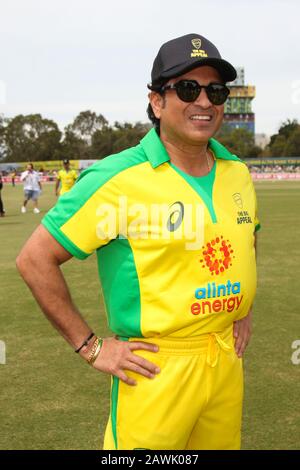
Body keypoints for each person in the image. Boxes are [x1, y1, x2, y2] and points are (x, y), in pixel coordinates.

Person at [16, 33, 260, 450]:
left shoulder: (237, 170)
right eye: (187, 88)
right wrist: (92, 348)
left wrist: (243, 305)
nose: (204, 101)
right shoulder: (117, 178)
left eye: (215, 91)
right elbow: (35, 258)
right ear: (157, 102)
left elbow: (246, 237)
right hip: (154, 368)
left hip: (225, 360)